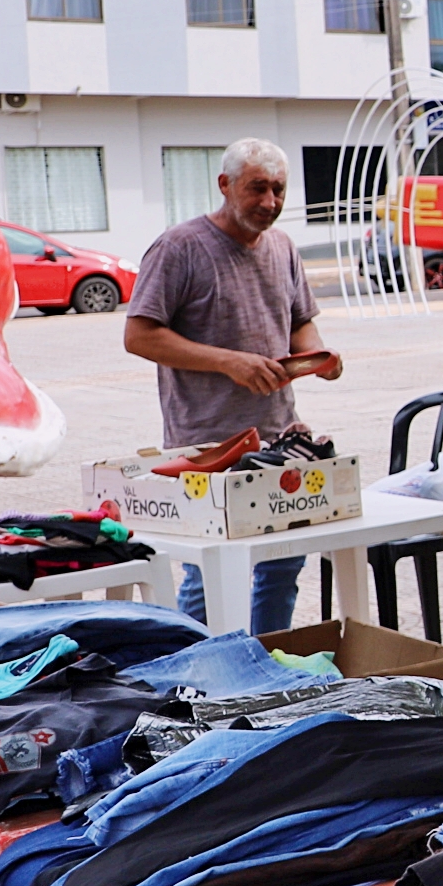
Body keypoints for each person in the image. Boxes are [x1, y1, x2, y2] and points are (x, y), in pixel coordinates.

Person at [121, 136, 343, 632]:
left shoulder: (283, 247)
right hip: (204, 446)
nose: (270, 201)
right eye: (257, 188)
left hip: (278, 439)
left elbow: (300, 322)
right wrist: (228, 363)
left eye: (279, 189)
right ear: (224, 185)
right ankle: (191, 668)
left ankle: (264, 661)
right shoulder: (179, 247)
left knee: (282, 565)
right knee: (210, 575)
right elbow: (139, 335)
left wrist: (317, 358)